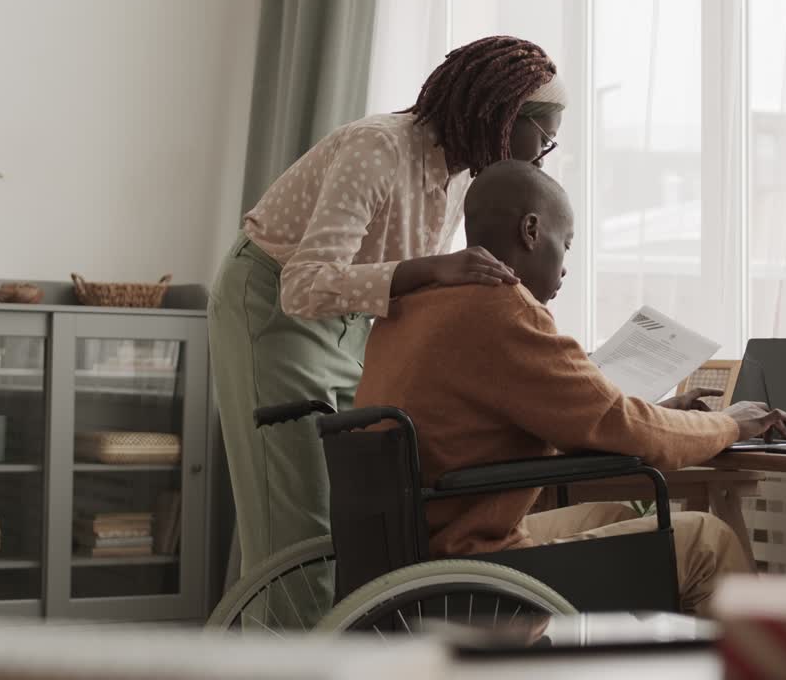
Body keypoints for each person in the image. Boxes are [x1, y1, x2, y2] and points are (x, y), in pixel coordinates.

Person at [209, 36, 567, 625]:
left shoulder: (459, 178)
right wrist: (434, 270)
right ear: (506, 114)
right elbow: (303, 285)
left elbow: (401, 288)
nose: (543, 157)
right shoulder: (378, 148)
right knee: (297, 518)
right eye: (546, 137)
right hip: (272, 307)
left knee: (355, 515)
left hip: (350, 319)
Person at [355, 160, 786, 615]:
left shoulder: (412, 303)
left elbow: (539, 420)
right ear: (531, 230)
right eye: (564, 246)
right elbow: (627, 428)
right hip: (472, 565)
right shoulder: (503, 309)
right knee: (707, 540)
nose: (565, 268)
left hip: (406, 553)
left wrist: (657, 411)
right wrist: (731, 424)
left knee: (615, 516)